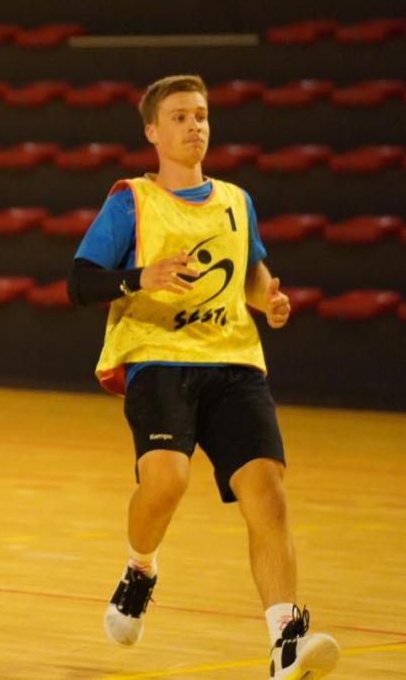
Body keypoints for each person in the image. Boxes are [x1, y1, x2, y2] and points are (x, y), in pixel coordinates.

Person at [67, 75, 339, 679]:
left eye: (201, 115)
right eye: (181, 116)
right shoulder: (132, 200)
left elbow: (251, 271)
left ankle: (285, 642)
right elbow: (79, 282)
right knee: (166, 483)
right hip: (159, 358)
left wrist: (268, 299)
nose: (195, 126)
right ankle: (140, 567)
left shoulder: (237, 201)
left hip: (234, 361)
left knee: (268, 494)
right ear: (152, 131)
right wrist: (140, 277)